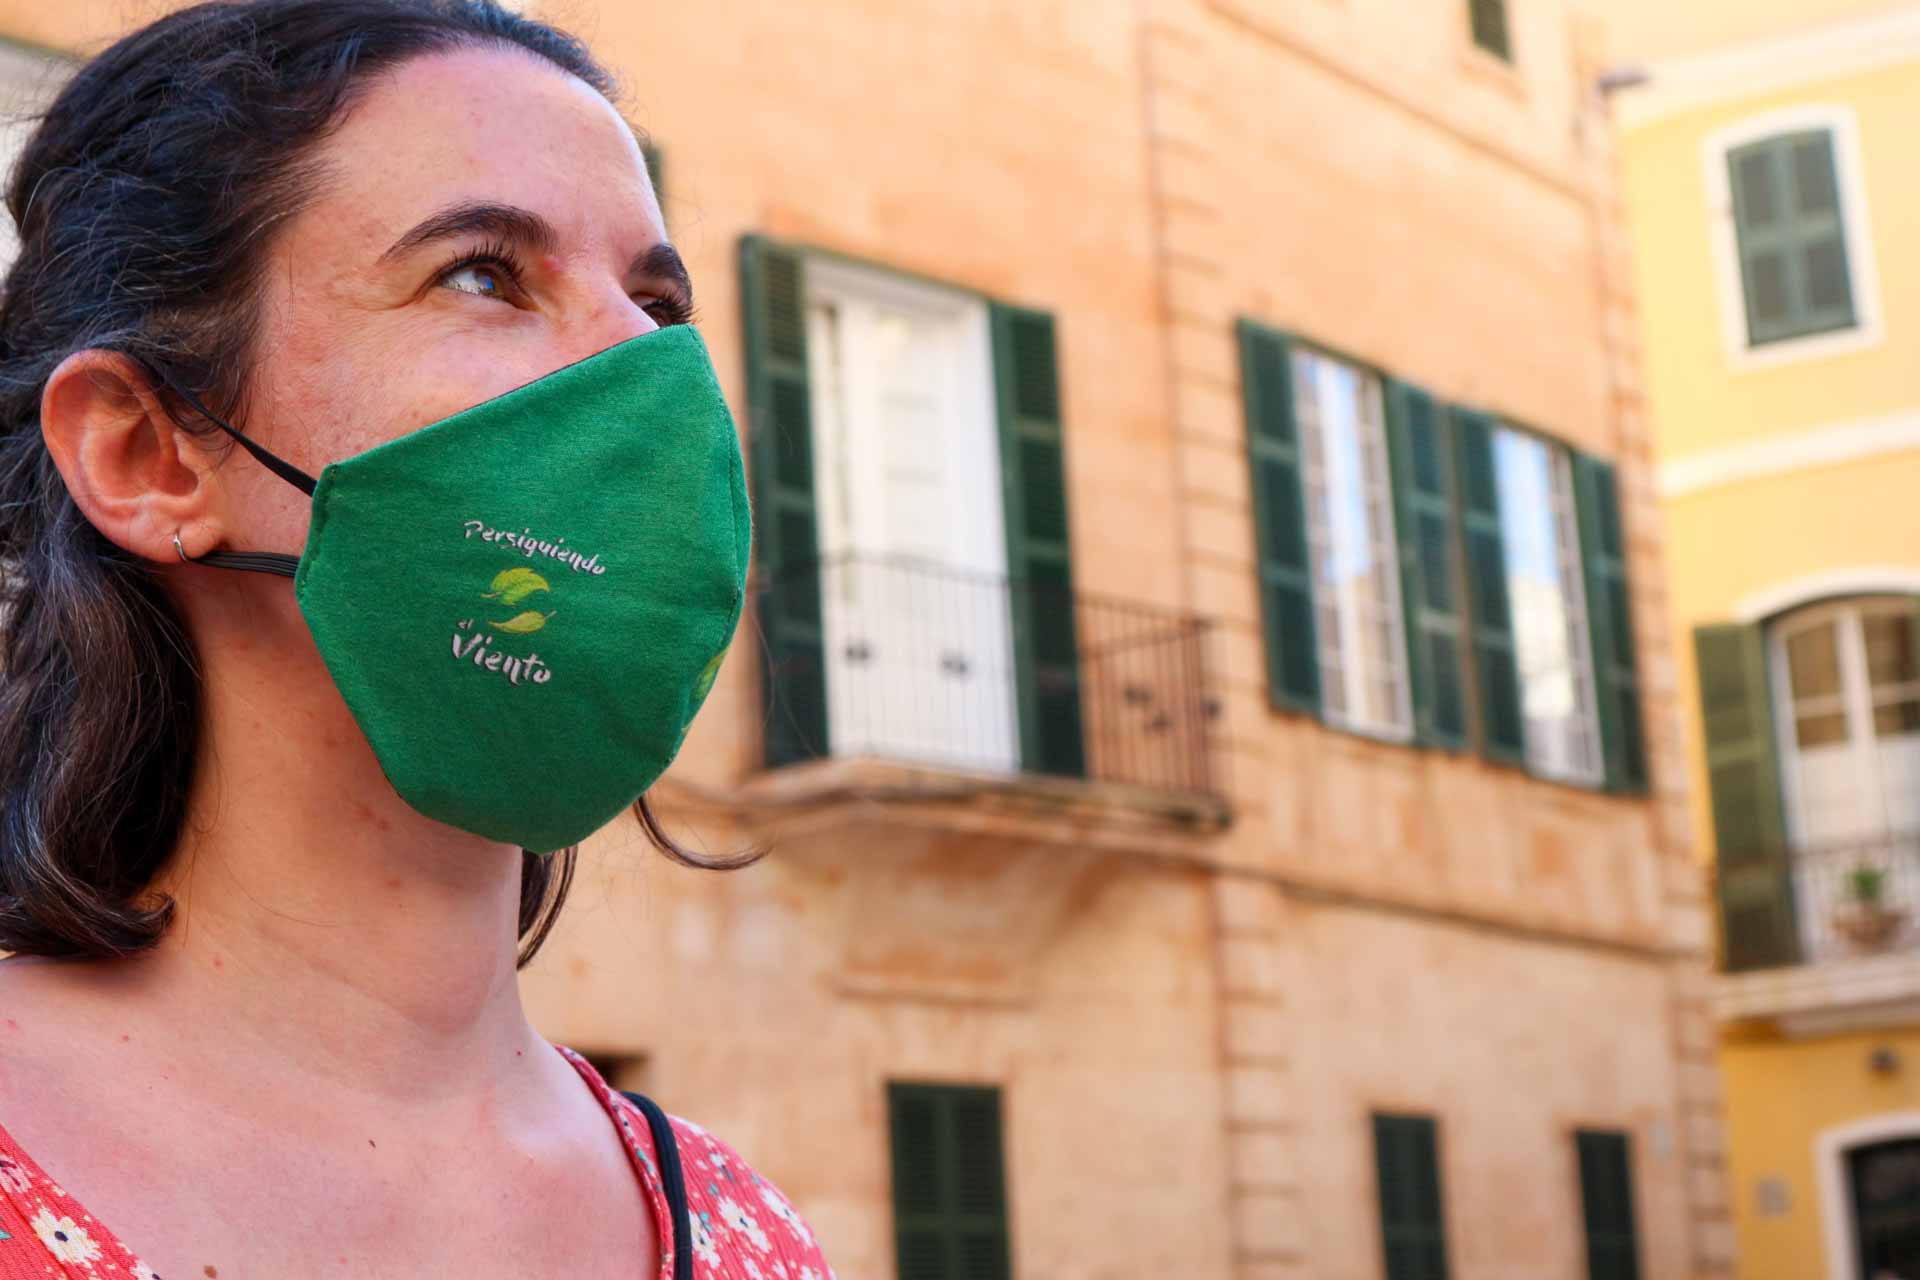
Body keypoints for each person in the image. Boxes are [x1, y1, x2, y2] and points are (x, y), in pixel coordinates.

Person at [0, 2, 833, 1276]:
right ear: (147, 454)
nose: (653, 374)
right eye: (485, 274)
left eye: (659, 304)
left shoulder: (755, 1236)